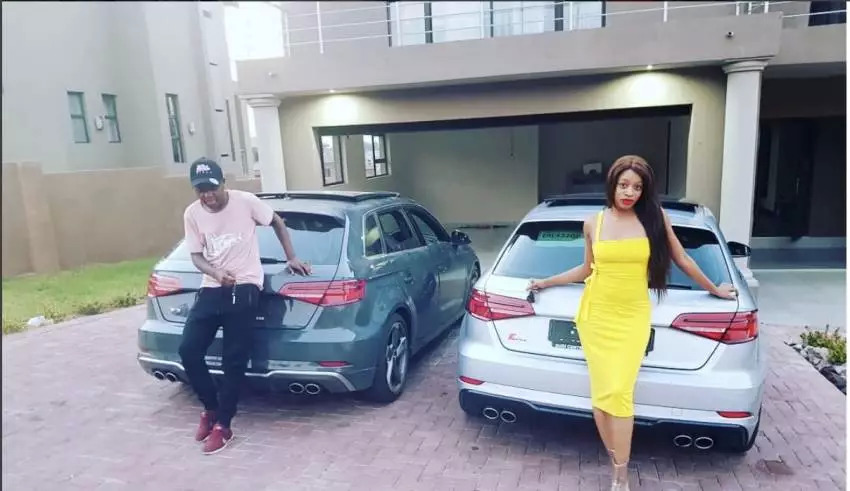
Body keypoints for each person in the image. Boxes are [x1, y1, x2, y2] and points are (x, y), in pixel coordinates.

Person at [527, 155, 737, 490]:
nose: (629, 192)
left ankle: (621, 475)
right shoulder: (593, 223)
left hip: (632, 317)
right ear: (612, 184)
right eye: (624, 185)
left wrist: (714, 289)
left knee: (620, 393)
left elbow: (682, 258)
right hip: (596, 316)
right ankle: (615, 461)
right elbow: (586, 270)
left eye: (637, 187)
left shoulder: (654, 218)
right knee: (601, 397)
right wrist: (546, 282)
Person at [178, 157, 311, 455]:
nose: (207, 195)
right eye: (200, 190)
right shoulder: (192, 213)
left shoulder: (246, 202)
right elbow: (196, 255)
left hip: (245, 286)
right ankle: (210, 408)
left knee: (233, 359)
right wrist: (215, 273)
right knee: (188, 350)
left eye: (212, 188)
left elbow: (276, 221)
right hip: (212, 287)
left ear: (223, 183)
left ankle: (224, 425)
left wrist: (291, 257)